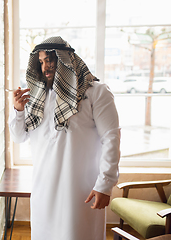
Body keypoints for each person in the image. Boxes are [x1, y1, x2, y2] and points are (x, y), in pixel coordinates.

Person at [9, 36, 120, 240]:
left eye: (50, 60)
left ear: (67, 60)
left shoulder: (96, 92)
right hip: (43, 190)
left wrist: (105, 183)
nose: (45, 67)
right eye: (41, 62)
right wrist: (18, 110)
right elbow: (18, 137)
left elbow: (111, 138)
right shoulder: (36, 97)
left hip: (80, 192)